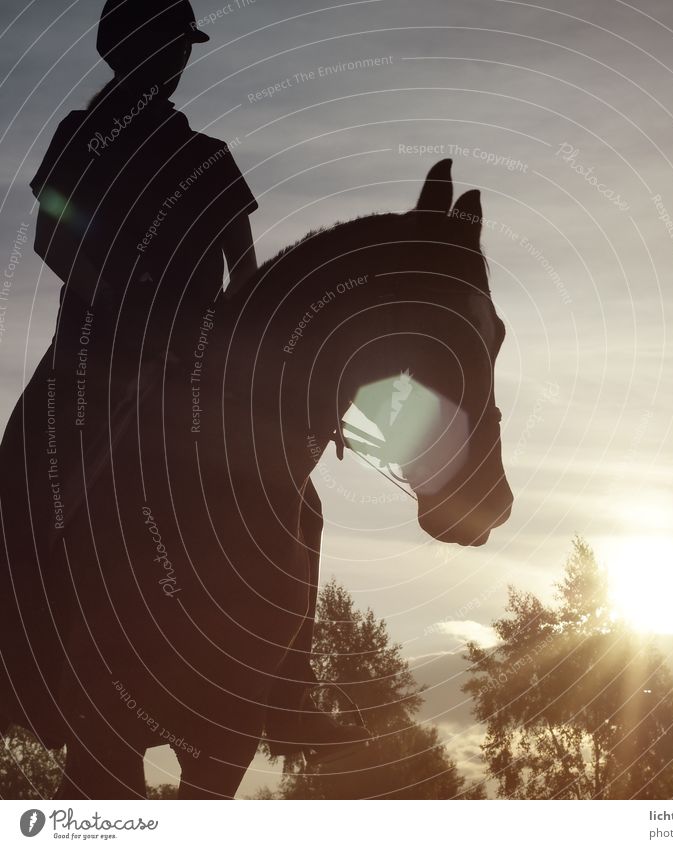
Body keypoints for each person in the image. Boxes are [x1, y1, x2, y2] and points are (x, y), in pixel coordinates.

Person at [0, 0, 365, 772]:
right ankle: (25, 658)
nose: (175, 61)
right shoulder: (79, 137)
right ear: (126, 50)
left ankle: (288, 689)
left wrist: (275, 372)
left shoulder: (210, 155)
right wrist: (132, 306)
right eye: (164, 45)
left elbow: (249, 271)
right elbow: (50, 235)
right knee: (20, 472)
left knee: (301, 503)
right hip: (89, 367)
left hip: (195, 378)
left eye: (180, 49)